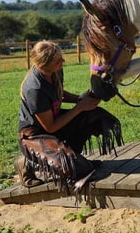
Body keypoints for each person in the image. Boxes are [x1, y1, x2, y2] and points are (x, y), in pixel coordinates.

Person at [16, 41, 123, 191]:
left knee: (94, 116)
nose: (63, 61)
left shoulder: (55, 72)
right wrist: (80, 107)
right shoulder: (35, 89)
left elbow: (59, 93)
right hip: (35, 136)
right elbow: (50, 127)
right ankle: (29, 163)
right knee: (80, 169)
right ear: (43, 65)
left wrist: (80, 99)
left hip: (53, 125)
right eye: (58, 60)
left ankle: (70, 155)